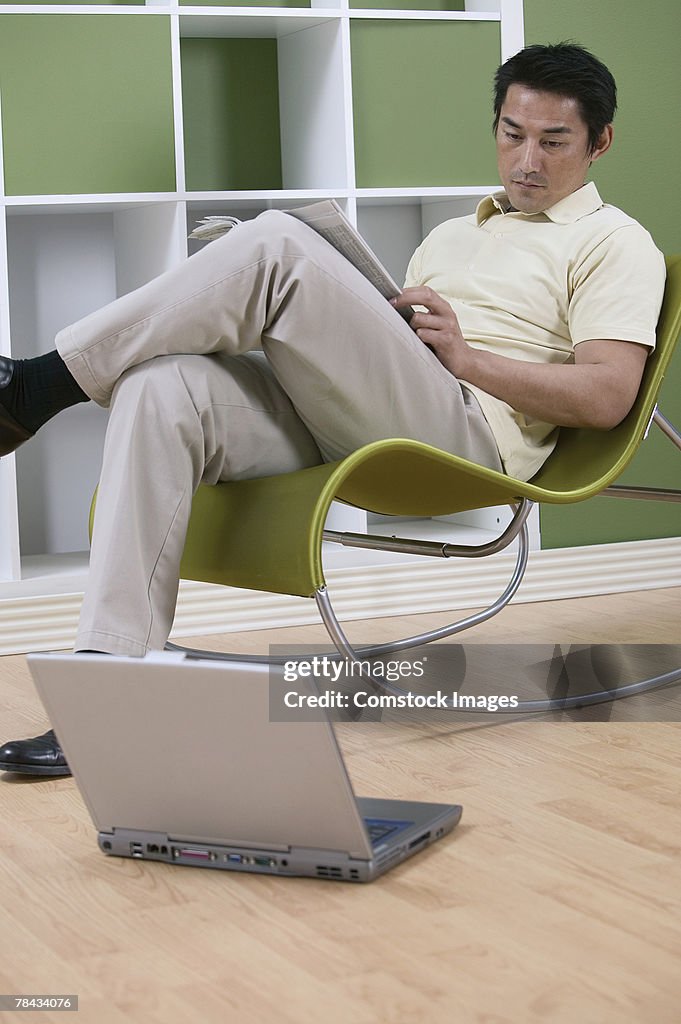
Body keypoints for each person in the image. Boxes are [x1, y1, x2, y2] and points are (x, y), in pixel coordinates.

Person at [0, 42, 666, 776]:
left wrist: (466, 358)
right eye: (511, 134)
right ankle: (109, 690)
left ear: (598, 142)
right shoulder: (453, 234)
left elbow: (607, 397)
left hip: (460, 442)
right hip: (365, 421)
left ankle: (34, 388)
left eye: (553, 141)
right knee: (161, 385)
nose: (525, 161)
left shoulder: (613, 242)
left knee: (280, 242)